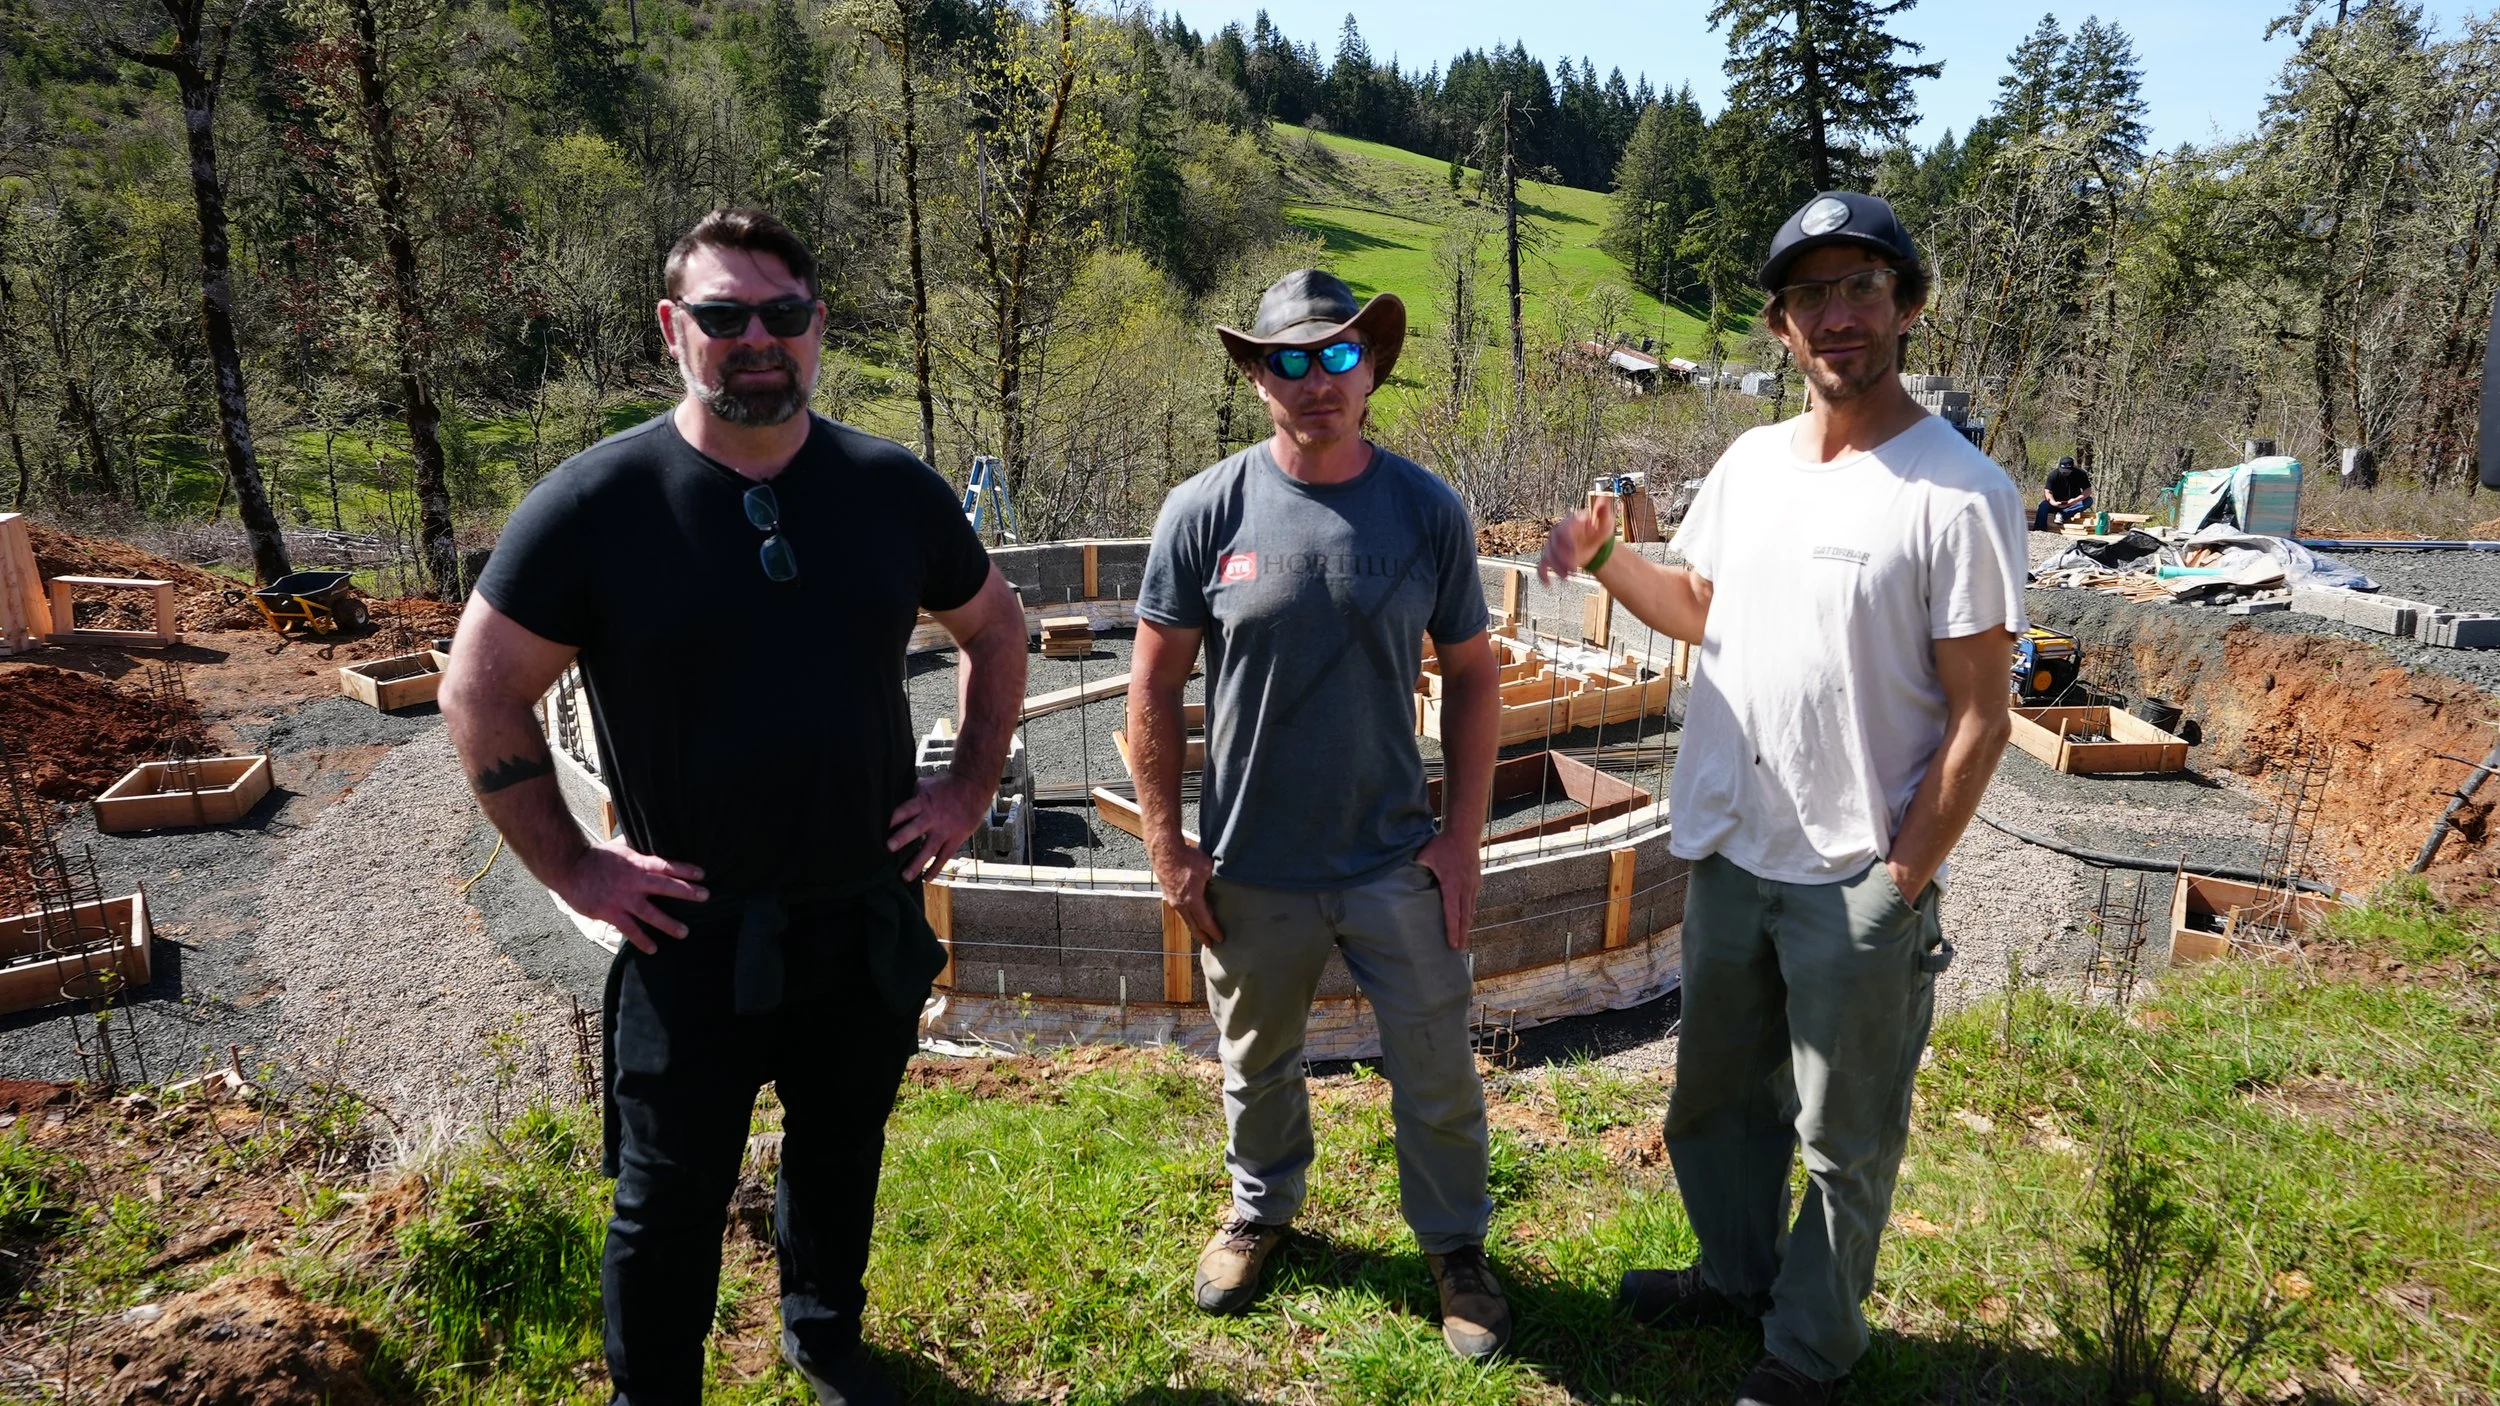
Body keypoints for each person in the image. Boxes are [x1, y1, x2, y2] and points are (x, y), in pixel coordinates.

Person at [440, 208, 1027, 1406]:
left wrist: (966, 785)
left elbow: (995, 628)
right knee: (666, 1191)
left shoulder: (887, 490)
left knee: (841, 1147)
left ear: (817, 329)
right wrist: (574, 870)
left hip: (859, 912)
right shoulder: (599, 504)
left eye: (782, 313)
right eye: (722, 315)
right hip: (688, 929)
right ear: (674, 330)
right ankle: (652, 1391)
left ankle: (824, 1333)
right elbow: (480, 691)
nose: (755, 338)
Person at [1537, 192, 2024, 1406]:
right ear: (1779, 325)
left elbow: (1981, 714)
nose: (1838, 315)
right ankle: (1735, 1272)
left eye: (1863, 287)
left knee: (1840, 1130)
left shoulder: (1957, 492)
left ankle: (1809, 1343)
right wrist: (1606, 562)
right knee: (1712, 1099)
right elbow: (1707, 608)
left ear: (1907, 308)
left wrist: (1899, 881)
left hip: (1855, 870)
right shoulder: (1749, 463)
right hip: (1730, 846)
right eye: (1812, 294)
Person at [1127, 269, 1510, 1359]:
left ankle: (1454, 1246)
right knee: (1256, 1059)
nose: (1316, 380)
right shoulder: (1205, 511)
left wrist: (1462, 835)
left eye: (1337, 354)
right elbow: (1151, 685)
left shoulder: (1425, 509)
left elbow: (1475, 675)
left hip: (1396, 855)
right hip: (1252, 860)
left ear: (1372, 364)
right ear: (1256, 376)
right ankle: (1260, 1209)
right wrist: (1168, 846)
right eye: (1288, 360)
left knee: (1434, 1059)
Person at [2034, 454, 2094, 531]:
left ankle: (2063, 514)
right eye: (2063, 471)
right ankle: (2039, 528)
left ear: (2072, 468)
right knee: (2043, 505)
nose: (2064, 473)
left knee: (2089, 500)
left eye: (2067, 471)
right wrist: (2053, 503)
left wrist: (2076, 500)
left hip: (2073, 503)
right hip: (2056, 502)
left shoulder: (2080, 474)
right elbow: (2048, 491)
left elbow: (2088, 490)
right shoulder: (2053, 475)